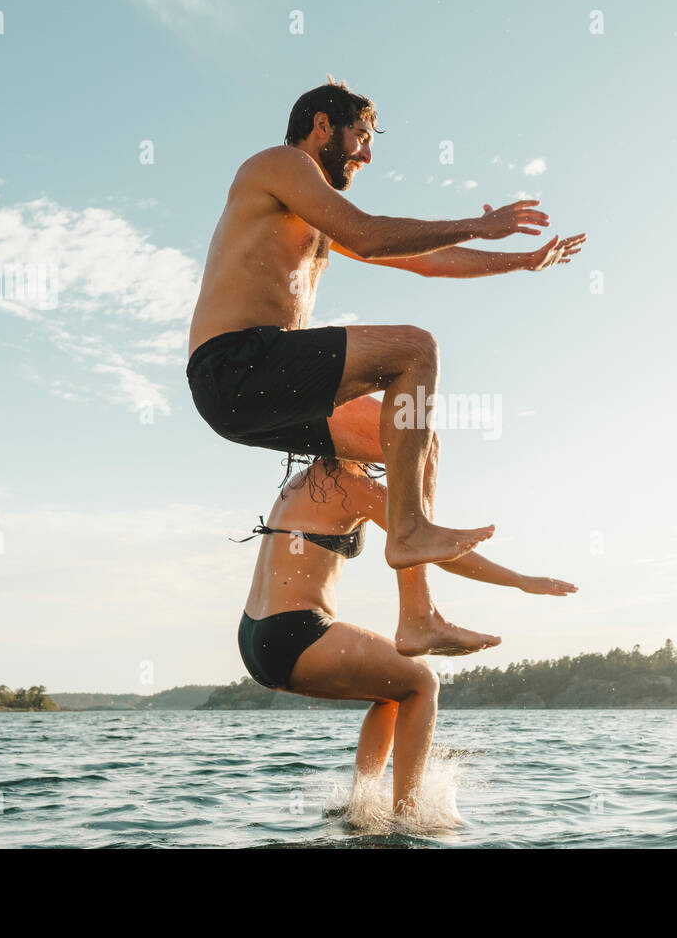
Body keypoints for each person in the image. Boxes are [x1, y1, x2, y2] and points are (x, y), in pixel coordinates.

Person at [187, 76, 584, 653]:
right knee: (414, 350)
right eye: (361, 137)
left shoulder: (309, 205)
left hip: (256, 391)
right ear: (323, 125)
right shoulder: (278, 165)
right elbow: (369, 237)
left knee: (412, 442)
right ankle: (411, 530)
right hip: (235, 365)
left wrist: (521, 260)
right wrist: (479, 221)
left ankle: (418, 616)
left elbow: (431, 262)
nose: (367, 154)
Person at [237, 455, 578, 817]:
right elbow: (431, 549)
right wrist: (521, 581)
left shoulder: (308, 480)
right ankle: (407, 816)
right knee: (423, 681)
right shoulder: (350, 484)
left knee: (393, 694)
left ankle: (361, 807)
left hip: (256, 635)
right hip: (297, 632)